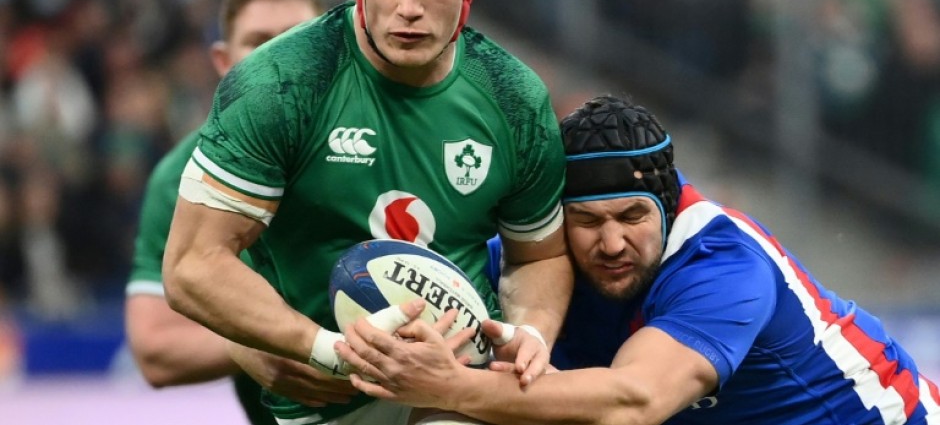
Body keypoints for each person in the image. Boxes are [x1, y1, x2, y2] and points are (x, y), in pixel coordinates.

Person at [162, 0, 573, 424]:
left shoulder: (513, 97)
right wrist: (323, 348)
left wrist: (532, 331)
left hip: (459, 385)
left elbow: (538, 255)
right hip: (328, 398)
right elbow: (192, 264)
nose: (409, 6)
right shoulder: (281, 82)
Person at [336, 94, 940, 425]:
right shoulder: (526, 266)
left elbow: (633, 401)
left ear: (668, 208)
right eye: (588, 221)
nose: (612, 243)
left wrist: (452, 385)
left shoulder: (724, 264)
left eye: (632, 217)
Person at [125, 0, 334, 425]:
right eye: (260, 42)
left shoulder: (388, 137)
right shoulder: (183, 176)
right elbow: (155, 350)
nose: (281, 59)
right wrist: (257, 341)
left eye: (299, 38)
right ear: (223, 62)